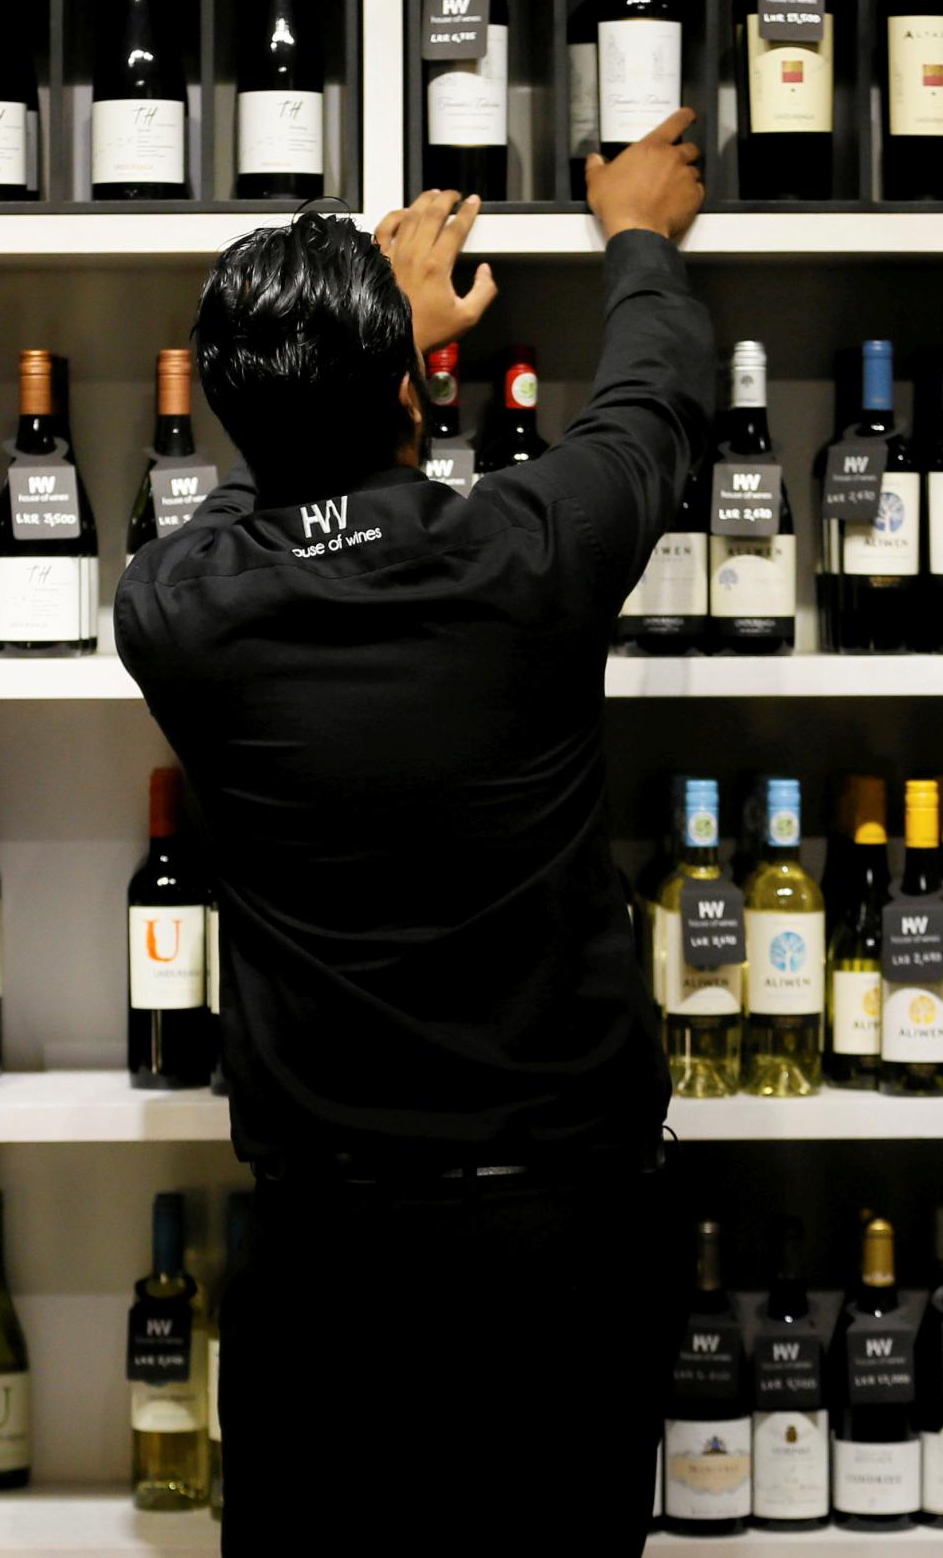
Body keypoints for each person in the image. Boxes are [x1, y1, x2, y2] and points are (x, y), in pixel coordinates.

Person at [114, 108, 710, 1554]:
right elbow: (655, 404)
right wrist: (635, 235)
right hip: (558, 1250)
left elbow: (271, 498)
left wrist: (362, 361)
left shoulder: (177, 609)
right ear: (419, 389)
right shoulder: (530, 547)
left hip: (329, 1259)